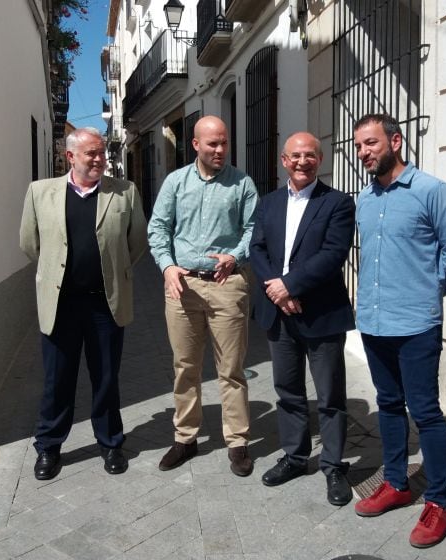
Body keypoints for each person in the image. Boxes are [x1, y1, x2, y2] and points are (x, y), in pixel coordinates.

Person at [352, 113, 446, 548]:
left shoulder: (431, 191)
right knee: (387, 404)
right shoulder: (364, 199)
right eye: (360, 146)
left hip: (416, 323)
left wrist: (429, 288)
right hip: (374, 321)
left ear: (396, 141)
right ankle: (397, 483)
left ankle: (439, 500)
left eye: (371, 143)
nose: (364, 152)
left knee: (424, 411)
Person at [20, 127, 147, 480]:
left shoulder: (124, 193)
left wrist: (112, 273)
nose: (99, 159)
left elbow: (136, 244)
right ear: (70, 156)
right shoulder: (40, 192)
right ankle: (48, 447)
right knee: (57, 380)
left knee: (106, 377)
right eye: (91, 153)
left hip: (105, 305)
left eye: (102, 152)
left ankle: (110, 443)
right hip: (60, 305)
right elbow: (30, 243)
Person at [147, 115, 259, 477]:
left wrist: (236, 255)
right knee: (185, 368)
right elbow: (158, 228)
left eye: (224, 142)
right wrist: (167, 267)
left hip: (226, 285)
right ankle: (186, 437)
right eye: (212, 144)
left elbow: (254, 228)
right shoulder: (176, 183)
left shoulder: (242, 184)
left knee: (231, 369)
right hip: (182, 286)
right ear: (195, 145)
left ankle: (238, 441)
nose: (220, 150)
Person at [250, 132, 356, 506]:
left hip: (321, 312)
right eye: (295, 155)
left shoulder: (339, 203)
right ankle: (295, 457)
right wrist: (275, 292)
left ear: (320, 160)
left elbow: (332, 254)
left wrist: (289, 287)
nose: (302, 161)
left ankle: (333, 466)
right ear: (283, 160)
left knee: (330, 396)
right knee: (288, 391)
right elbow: (256, 248)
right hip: (278, 315)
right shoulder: (269, 203)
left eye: (309, 155)